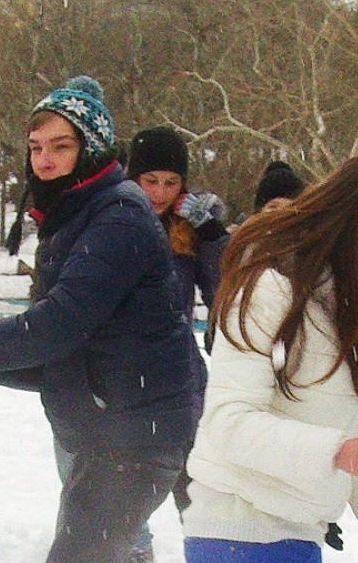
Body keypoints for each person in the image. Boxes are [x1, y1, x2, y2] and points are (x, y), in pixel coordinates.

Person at [0, 76, 197, 563]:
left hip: (135, 436)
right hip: (110, 433)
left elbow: (59, 325)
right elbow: (67, 355)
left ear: (92, 149)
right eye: (36, 147)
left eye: (61, 146)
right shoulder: (76, 214)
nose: (44, 159)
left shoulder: (118, 216)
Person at [181, 151, 358, 562]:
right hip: (237, 530)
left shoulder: (346, 303)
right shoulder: (270, 287)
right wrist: (337, 452)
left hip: (297, 534)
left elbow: (339, 420)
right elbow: (229, 422)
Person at [48, 125, 228, 563]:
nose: (160, 192)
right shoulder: (106, 220)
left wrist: (213, 237)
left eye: (171, 182)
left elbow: (226, 293)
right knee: (95, 489)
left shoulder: (188, 233)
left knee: (197, 484)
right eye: (151, 180)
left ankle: (212, 551)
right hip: (107, 374)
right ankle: (130, 549)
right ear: (132, 177)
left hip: (175, 376)